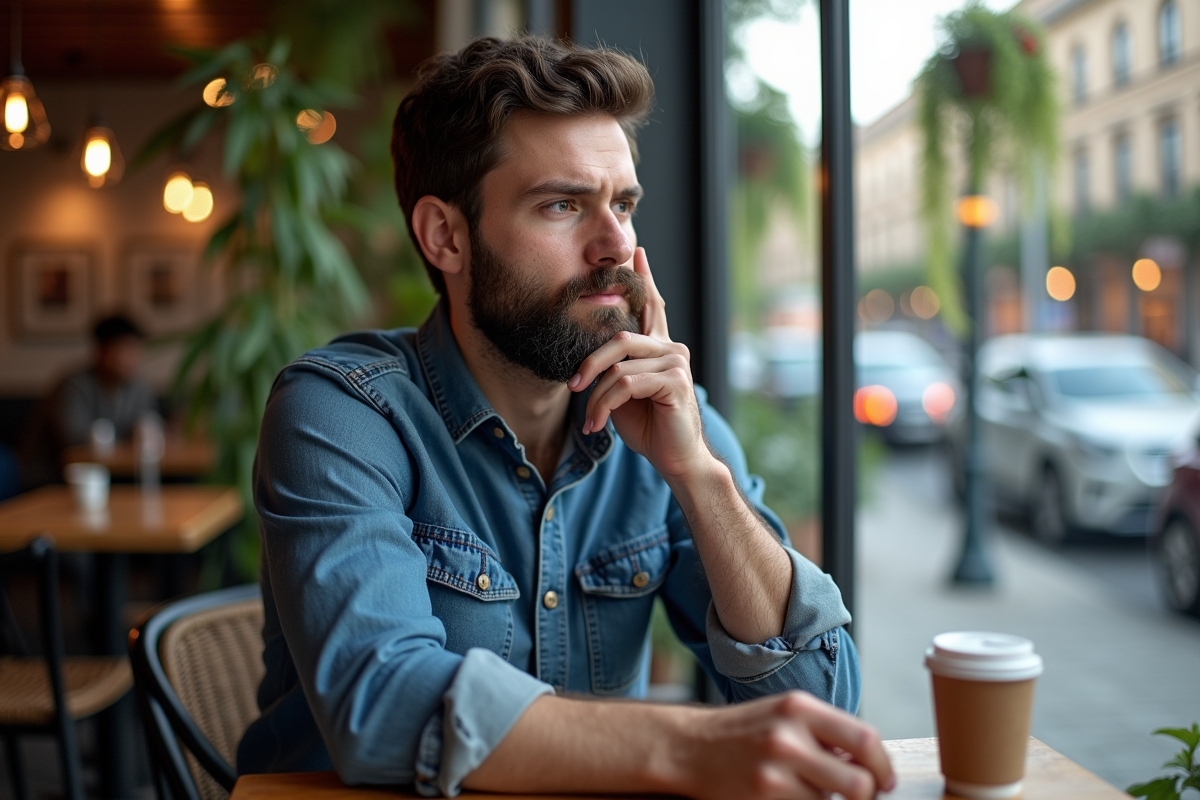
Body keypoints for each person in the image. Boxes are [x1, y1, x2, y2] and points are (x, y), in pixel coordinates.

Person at [239, 36, 895, 800]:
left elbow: (820, 699)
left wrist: (699, 478)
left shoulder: (665, 415)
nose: (616, 244)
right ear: (445, 236)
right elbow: (380, 708)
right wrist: (693, 744)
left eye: (622, 204)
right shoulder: (342, 413)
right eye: (562, 205)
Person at [19, 313, 156, 489]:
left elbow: (147, 426)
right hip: (52, 480)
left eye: (136, 350)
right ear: (102, 350)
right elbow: (75, 440)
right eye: (125, 349)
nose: (133, 359)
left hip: (108, 478)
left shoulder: (137, 387)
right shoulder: (73, 386)